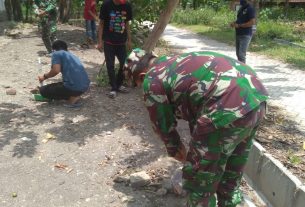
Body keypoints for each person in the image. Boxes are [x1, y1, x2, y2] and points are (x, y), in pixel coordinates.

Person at [124, 48, 268, 207]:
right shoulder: (175, 63)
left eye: (138, 85)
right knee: (233, 169)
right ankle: (230, 203)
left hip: (225, 110)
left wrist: (175, 148)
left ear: (142, 76)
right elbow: (198, 101)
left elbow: (162, 124)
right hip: (256, 99)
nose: (142, 89)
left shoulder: (152, 78)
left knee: (199, 182)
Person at [37, 40, 90, 107]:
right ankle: (75, 95)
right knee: (60, 84)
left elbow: (56, 70)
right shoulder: (72, 55)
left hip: (75, 87)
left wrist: (44, 77)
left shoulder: (57, 53)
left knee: (43, 91)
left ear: (54, 49)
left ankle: (73, 97)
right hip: (85, 86)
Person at [97, 0, 133, 98]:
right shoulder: (106, 5)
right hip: (109, 41)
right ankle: (113, 88)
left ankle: (118, 84)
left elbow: (127, 24)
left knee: (124, 63)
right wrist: (100, 42)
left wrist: (129, 40)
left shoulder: (127, 5)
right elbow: (101, 24)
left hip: (121, 42)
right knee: (110, 65)